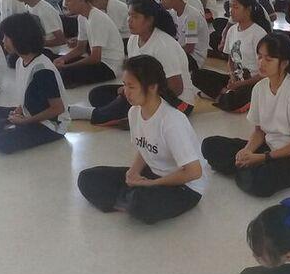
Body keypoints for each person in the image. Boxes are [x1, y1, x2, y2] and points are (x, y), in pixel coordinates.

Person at [77, 56, 208, 225]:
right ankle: (130, 201)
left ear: (152, 87)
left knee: (141, 203)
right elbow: (144, 146)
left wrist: (153, 184)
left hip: (184, 187)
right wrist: (133, 172)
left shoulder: (172, 121)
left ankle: (130, 201)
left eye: (131, 87)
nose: (126, 92)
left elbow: (194, 172)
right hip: (153, 175)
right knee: (87, 178)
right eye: (124, 85)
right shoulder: (134, 112)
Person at [202, 35, 290, 197]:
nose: (261, 63)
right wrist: (247, 151)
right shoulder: (259, 88)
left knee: (260, 181)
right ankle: (246, 169)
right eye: (259, 57)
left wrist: (263, 158)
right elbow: (259, 131)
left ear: (284, 63)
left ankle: (245, 170)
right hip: (270, 146)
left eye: (269, 59)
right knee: (209, 145)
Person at [69, 0, 195, 127]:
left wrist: (138, 94)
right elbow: (133, 74)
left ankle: (98, 114)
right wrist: (127, 89)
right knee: (97, 94)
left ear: (149, 20)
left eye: (135, 17)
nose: (129, 20)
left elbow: (176, 88)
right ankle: (123, 111)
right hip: (146, 90)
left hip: (176, 102)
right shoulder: (133, 40)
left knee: (125, 101)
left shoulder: (163, 45)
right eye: (129, 15)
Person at [0, 13, 69, 154]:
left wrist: (26, 121)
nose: (3, 41)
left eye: (7, 37)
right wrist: (19, 110)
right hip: (29, 113)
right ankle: (10, 125)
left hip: (50, 125)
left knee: (1, 142)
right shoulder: (20, 61)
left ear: (20, 38)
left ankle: (8, 127)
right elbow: (27, 95)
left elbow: (57, 109)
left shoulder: (42, 70)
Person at [191, 0, 270, 112]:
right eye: (230, 7)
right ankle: (225, 95)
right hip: (236, 79)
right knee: (196, 75)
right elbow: (230, 60)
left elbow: (265, 74)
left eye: (236, 7)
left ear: (248, 9)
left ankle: (223, 96)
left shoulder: (258, 34)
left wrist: (239, 84)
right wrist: (232, 76)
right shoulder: (232, 30)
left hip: (253, 83)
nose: (231, 11)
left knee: (234, 100)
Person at [54, 0, 124, 88]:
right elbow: (80, 48)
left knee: (64, 74)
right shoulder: (81, 17)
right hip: (98, 60)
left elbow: (95, 58)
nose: (65, 4)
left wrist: (67, 66)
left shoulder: (97, 18)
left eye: (68, 0)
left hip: (109, 66)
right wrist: (63, 59)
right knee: (57, 65)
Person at [158, 0, 209, 72]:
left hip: (194, 58)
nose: (161, 2)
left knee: (163, 65)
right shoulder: (173, 13)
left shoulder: (191, 17)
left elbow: (189, 48)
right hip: (181, 51)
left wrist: (170, 54)